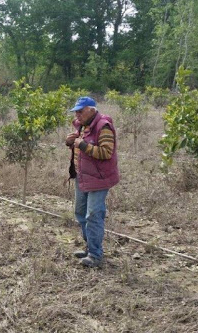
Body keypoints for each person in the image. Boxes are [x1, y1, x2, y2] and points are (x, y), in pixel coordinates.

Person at [65, 96, 119, 268]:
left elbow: (106, 153)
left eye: (81, 111)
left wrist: (82, 146)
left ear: (91, 109)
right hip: (83, 176)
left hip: (98, 179)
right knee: (80, 213)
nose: (78, 115)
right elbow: (81, 144)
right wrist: (71, 142)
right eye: (76, 112)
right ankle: (90, 248)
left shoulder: (103, 126)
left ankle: (96, 255)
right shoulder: (83, 125)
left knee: (93, 215)